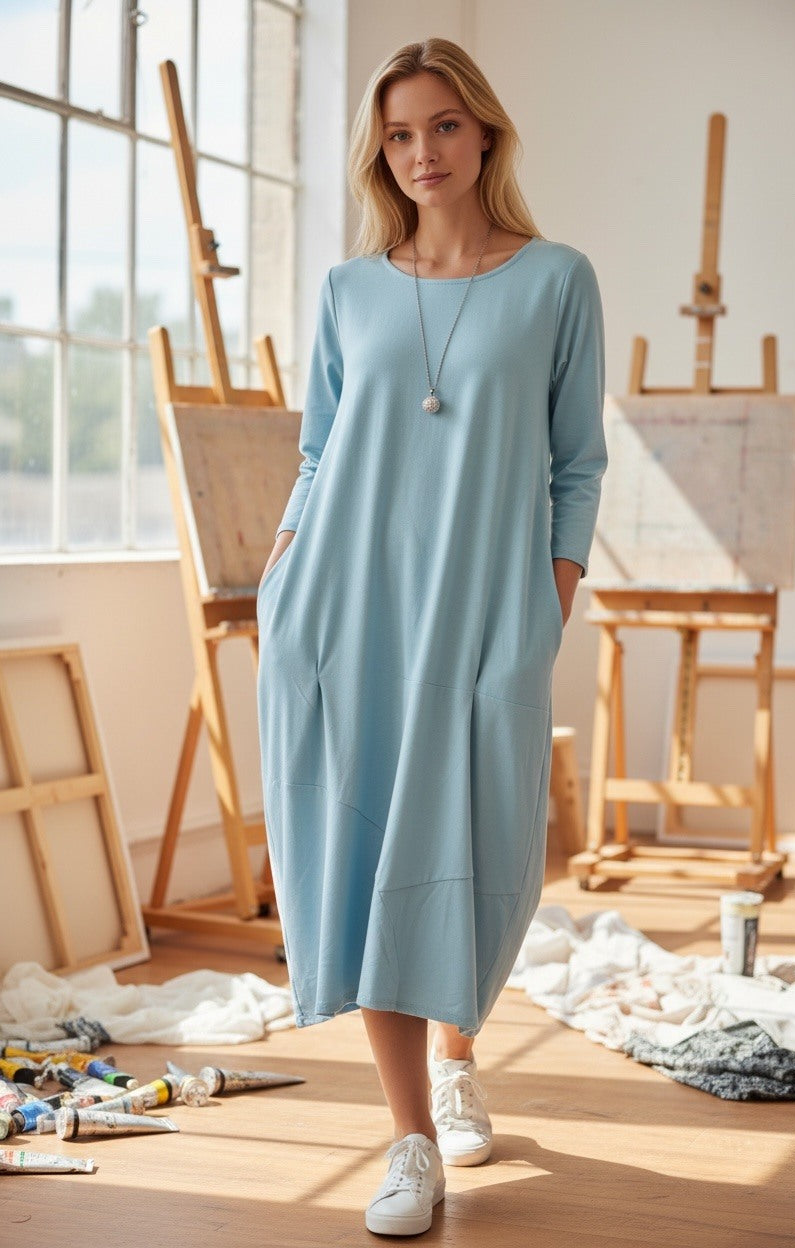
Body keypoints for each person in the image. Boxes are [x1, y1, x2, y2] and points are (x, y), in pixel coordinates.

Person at [256, 36, 607, 1238]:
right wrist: (284, 574)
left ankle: (458, 1049)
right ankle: (410, 1135)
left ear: (486, 133)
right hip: (344, 604)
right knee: (367, 859)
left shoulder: (557, 279)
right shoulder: (351, 291)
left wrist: (543, 608)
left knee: (484, 843)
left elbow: (575, 465)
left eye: (443, 127)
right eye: (399, 134)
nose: (422, 154)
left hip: (483, 609)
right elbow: (320, 450)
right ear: (379, 151)